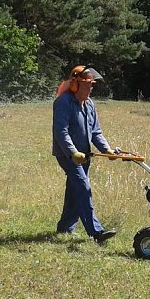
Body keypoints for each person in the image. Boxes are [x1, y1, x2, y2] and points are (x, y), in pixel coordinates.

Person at [52, 64, 119, 244]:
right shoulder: (64, 102)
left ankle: (65, 227)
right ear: (75, 84)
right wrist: (73, 152)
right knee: (82, 187)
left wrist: (107, 150)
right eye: (87, 84)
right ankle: (96, 232)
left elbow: (96, 132)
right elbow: (61, 131)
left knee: (75, 190)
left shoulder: (89, 104)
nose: (91, 87)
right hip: (67, 155)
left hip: (85, 156)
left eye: (92, 84)